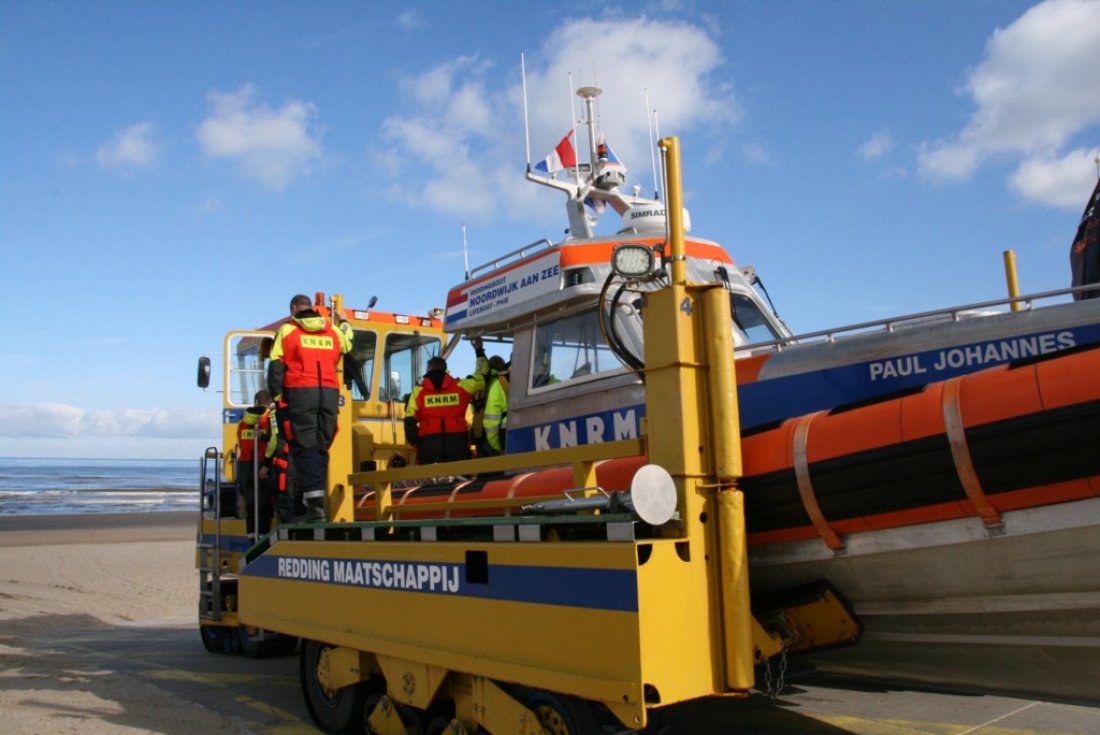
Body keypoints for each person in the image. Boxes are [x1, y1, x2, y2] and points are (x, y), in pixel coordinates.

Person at [267, 294, 353, 519]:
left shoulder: (287, 331)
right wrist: (344, 321)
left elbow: (276, 366)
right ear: (312, 309)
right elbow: (348, 341)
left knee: (305, 446)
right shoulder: (333, 330)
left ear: (294, 309)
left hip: (300, 392)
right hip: (329, 393)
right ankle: (316, 501)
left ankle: (314, 505)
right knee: (321, 445)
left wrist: (278, 398)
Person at [404, 337, 488, 465]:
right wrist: (479, 351)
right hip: (457, 448)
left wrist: (418, 445)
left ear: (428, 371)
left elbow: (409, 423)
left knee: (430, 484)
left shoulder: (418, 392)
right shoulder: (461, 387)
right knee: (460, 482)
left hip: (429, 450)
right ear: (445, 370)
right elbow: (482, 376)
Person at [236, 389, 277, 534]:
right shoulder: (270, 419)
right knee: (264, 505)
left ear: (256, 402)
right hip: (262, 463)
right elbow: (274, 442)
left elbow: (241, 442)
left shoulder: (243, 422)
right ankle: (263, 537)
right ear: (269, 403)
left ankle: (252, 537)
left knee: (250, 506)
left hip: (245, 465)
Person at [477, 356, 510, 456]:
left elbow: (491, 422)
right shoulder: (511, 382)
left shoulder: (491, 384)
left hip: (489, 439)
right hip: (508, 435)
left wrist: (496, 447)